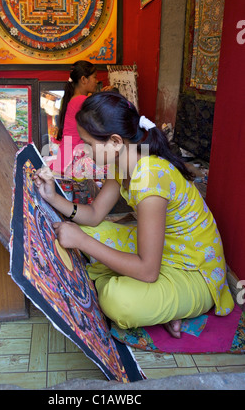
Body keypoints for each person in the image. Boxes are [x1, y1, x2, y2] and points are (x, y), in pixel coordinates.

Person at [34, 92, 234, 338]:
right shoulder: (124, 164)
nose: (83, 150)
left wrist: (83, 242)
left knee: (118, 301)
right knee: (87, 231)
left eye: (87, 143)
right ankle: (149, 299)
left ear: (115, 141)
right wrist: (52, 197)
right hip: (161, 253)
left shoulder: (149, 177)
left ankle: (160, 304)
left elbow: (149, 271)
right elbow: (96, 214)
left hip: (193, 270)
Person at [50, 60, 98, 177]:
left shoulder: (74, 99)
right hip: (73, 157)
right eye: (94, 77)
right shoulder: (82, 100)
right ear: (83, 79)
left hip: (67, 155)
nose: (97, 81)